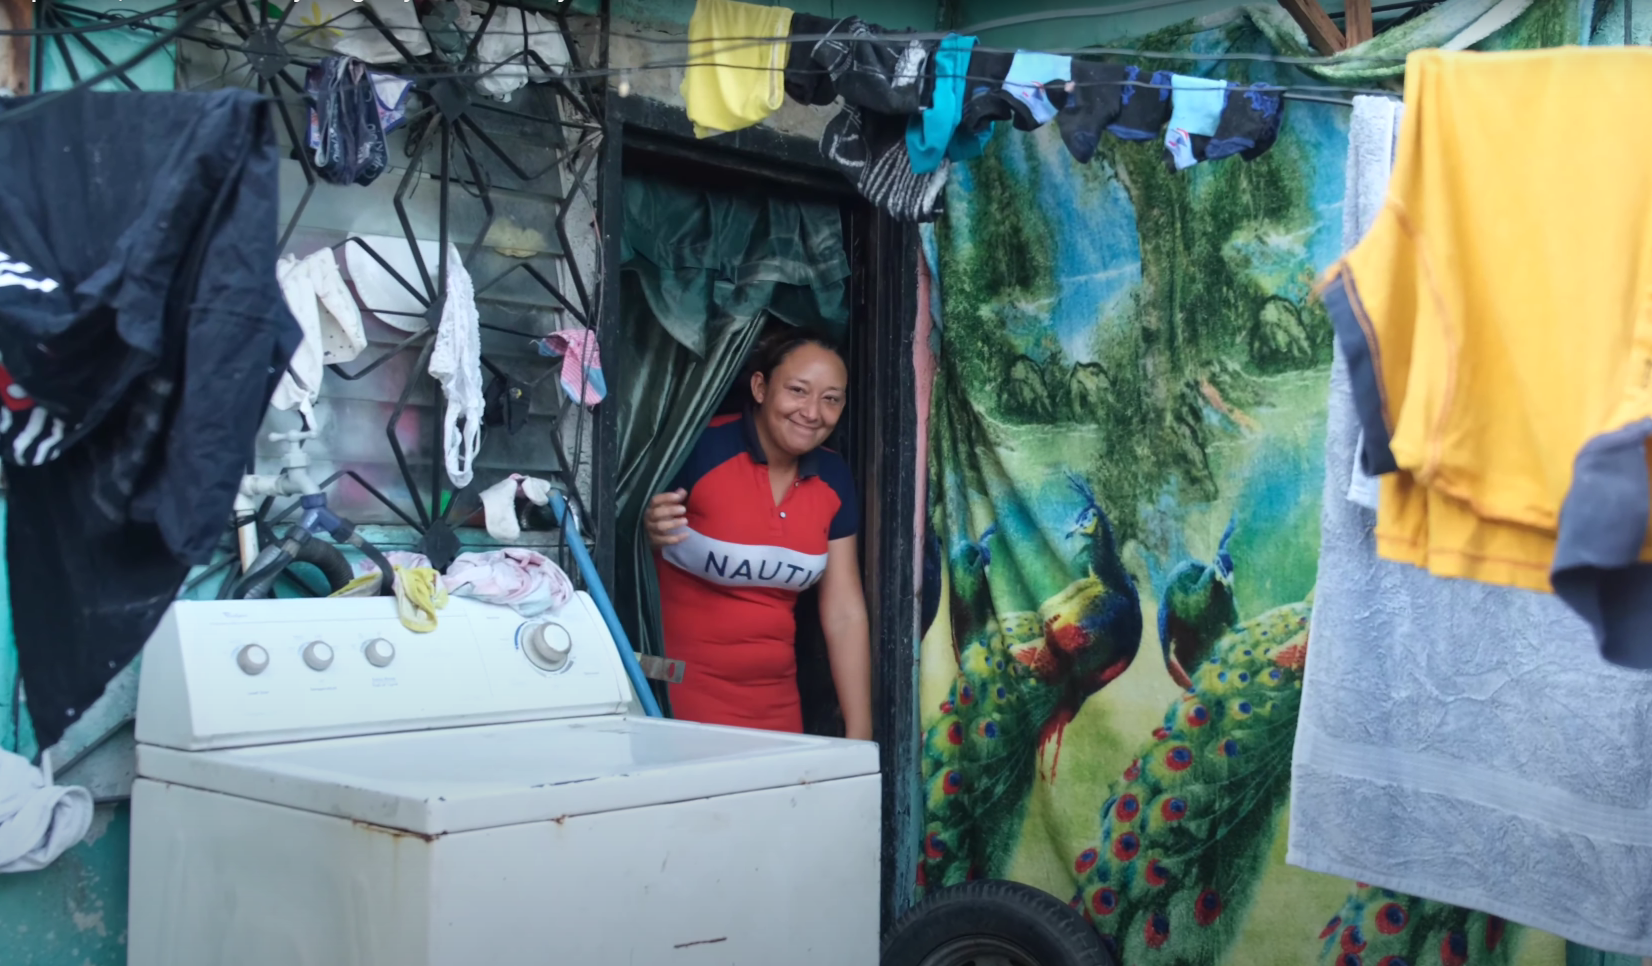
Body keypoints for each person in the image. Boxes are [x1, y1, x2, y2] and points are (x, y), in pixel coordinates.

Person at [644, 334, 872, 740]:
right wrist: (643, 530)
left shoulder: (834, 477)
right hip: (677, 698)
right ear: (761, 388)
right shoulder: (696, 449)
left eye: (831, 399)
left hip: (777, 707)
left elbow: (844, 611)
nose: (812, 412)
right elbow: (629, 536)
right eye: (798, 391)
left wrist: (859, 733)